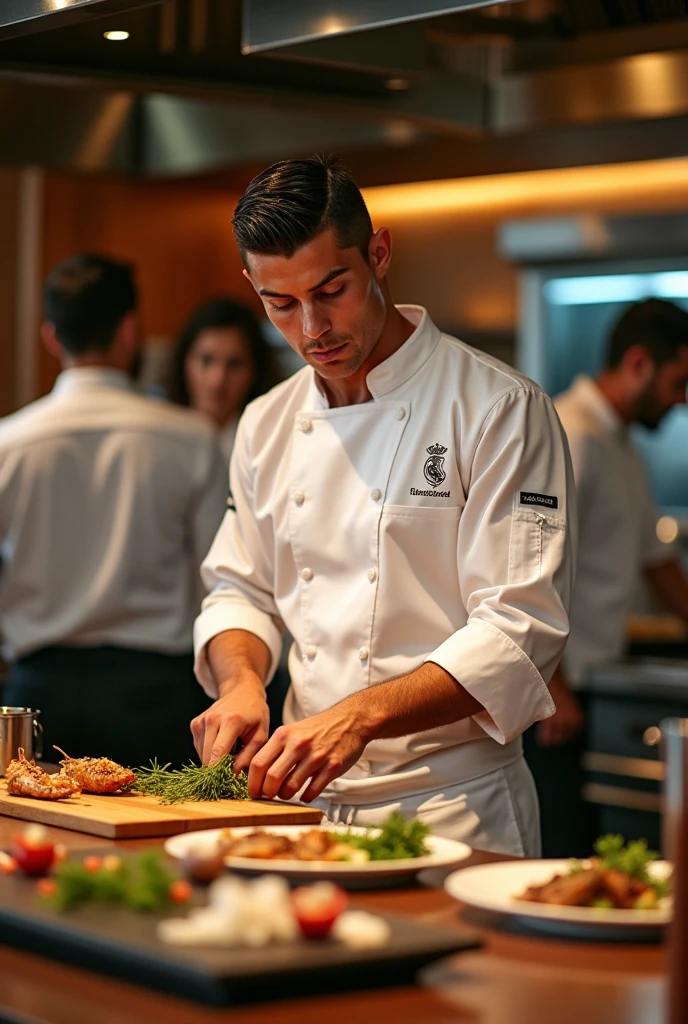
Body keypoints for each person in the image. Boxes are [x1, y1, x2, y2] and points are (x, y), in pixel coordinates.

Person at [190, 156, 576, 855]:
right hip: (304, 811)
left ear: (379, 253)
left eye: (331, 289)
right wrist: (242, 683)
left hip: (452, 809)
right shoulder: (265, 423)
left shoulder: (498, 409)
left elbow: (519, 628)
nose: (312, 328)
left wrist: (360, 716)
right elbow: (239, 589)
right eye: (281, 305)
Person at [0, 254, 227, 767]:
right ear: (130, 331)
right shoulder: (192, 439)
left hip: (36, 690)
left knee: (31, 841)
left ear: (51, 338)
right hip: (153, 694)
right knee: (156, 842)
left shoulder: (7, 444)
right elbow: (217, 581)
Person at [523, 297, 688, 856]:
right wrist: (552, 684)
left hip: (592, 683)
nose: (682, 399)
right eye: (678, 381)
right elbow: (527, 564)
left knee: (590, 848)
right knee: (561, 850)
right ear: (639, 362)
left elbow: (656, 562)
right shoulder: (571, 432)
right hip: (559, 694)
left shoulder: (623, 446)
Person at [168, 297, 282, 464]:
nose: (218, 379)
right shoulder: (159, 436)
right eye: (206, 360)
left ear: (256, 370)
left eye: (234, 365)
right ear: (184, 361)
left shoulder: (270, 445)